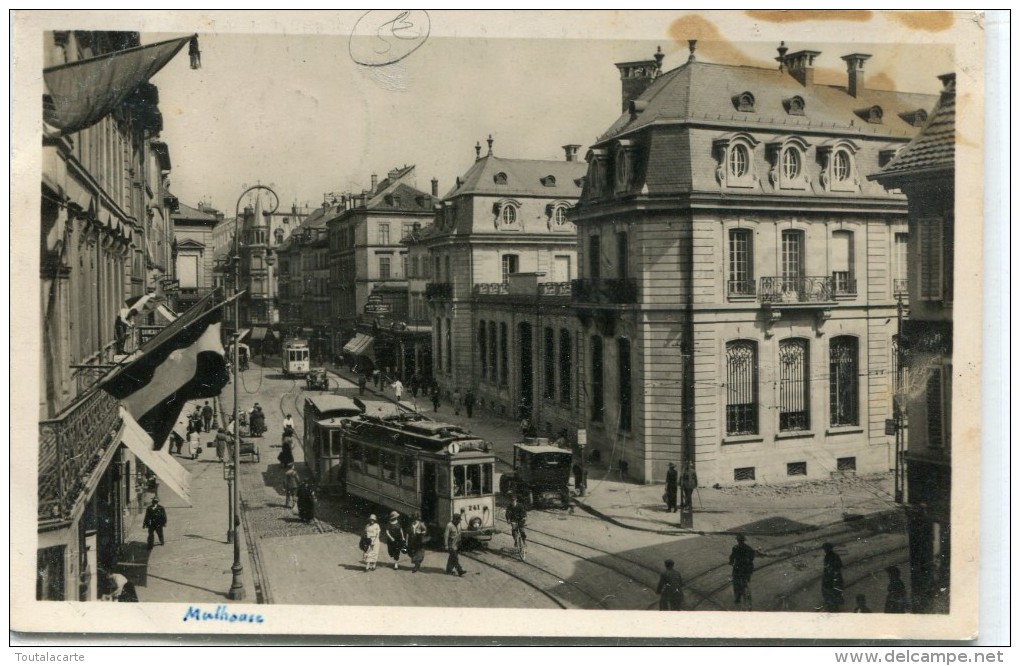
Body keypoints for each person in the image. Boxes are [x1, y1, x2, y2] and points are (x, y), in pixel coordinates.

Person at [729, 534, 756, 609]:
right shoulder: (749, 548)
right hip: (747, 567)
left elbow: (732, 557)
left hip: (738, 567)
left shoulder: (735, 548)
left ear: (738, 541)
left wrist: (731, 562)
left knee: (736, 582)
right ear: (744, 540)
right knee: (746, 579)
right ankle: (746, 585)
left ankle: (737, 598)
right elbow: (752, 557)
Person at [821, 542, 845, 612]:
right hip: (830, 577)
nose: (825, 550)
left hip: (832, 577)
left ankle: (832, 606)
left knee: (831, 592)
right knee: (832, 592)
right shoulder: (829, 556)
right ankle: (832, 606)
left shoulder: (832, 556)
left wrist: (831, 570)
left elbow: (839, 566)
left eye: (826, 549)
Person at [444, 512, 466, 576]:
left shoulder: (458, 525)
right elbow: (446, 535)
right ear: (455, 519)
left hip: (456, 544)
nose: (459, 521)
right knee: (455, 557)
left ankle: (448, 570)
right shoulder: (449, 525)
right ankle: (460, 570)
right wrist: (446, 545)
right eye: (458, 520)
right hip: (450, 543)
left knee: (452, 557)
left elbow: (459, 534)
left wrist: (460, 542)